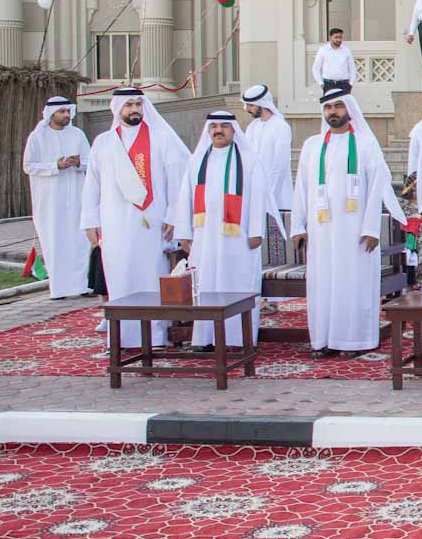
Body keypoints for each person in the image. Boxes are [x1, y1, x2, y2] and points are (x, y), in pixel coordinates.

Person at [82, 88, 190, 348]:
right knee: (119, 277)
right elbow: (91, 184)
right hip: (114, 222)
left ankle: (155, 336)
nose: (134, 110)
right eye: (128, 105)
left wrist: (174, 215)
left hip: (152, 222)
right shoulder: (103, 142)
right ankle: (122, 337)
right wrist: (89, 220)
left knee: (151, 275)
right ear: (117, 108)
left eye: (138, 104)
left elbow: (177, 178)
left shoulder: (161, 138)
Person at [289, 89, 392, 357]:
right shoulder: (312, 146)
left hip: (355, 231)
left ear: (348, 110)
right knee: (323, 284)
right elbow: (301, 187)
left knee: (352, 283)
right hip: (321, 231)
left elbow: (377, 187)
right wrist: (298, 226)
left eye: (337, 106)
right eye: (328, 107)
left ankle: (353, 341)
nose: (333, 112)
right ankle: (322, 340)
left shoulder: (366, 145)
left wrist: (371, 229)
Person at [172, 111, 267, 353]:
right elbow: (185, 197)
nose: (219, 130)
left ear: (234, 129)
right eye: (213, 126)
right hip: (204, 237)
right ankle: (204, 339)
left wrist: (256, 230)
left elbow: (258, 198)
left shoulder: (249, 159)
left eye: (224, 125)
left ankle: (237, 339)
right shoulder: (197, 160)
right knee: (206, 285)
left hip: (239, 238)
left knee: (237, 284)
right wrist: (184, 232)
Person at [23, 96, 92, 299]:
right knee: (55, 241)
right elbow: (28, 166)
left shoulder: (78, 134)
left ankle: (81, 285)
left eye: (68, 111)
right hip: (50, 200)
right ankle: (59, 289)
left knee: (79, 241)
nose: (66, 115)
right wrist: (56, 166)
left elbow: (91, 162)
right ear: (51, 114)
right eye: (62, 112)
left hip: (76, 197)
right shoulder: (37, 137)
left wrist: (78, 162)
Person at [241, 85, 295, 240]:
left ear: (262, 103)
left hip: (278, 194)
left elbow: (280, 163)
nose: (247, 109)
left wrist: (269, 194)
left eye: (251, 105)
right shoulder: (252, 127)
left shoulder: (281, 127)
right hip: (255, 191)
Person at [311, 27, 356, 95]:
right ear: (330, 37)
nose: (339, 39)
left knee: (343, 105)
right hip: (328, 84)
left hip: (344, 84)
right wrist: (321, 84)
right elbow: (316, 68)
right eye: (336, 37)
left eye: (340, 37)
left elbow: (352, 69)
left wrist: (350, 84)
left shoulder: (346, 50)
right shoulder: (323, 50)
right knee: (329, 104)